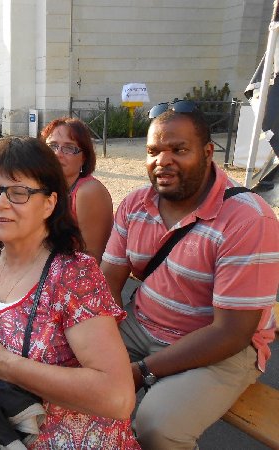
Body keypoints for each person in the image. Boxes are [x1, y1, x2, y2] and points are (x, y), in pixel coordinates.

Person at [0, 136, 138, 449]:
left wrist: (5, 365)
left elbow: (118, 397)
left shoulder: (74, 275)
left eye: (19, 193)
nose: (0, 203)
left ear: (50, 203)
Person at [101, 101, 279, 450]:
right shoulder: (135, 204)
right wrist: (94, 340)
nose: (162, 161)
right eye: (153, 151)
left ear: (208, 153)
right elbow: (108, 283)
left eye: (179, 150)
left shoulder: (248, 220)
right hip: (140, 325)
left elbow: (232, 333)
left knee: (157, 427)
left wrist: (143, 371)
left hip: (218, 346)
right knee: (65, 370)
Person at [41, 117, 113, 263]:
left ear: (84, 157)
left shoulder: (89, 192)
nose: (57, 153)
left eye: (69, 148)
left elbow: (92, 259)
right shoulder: (44, 186)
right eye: (52, 146)